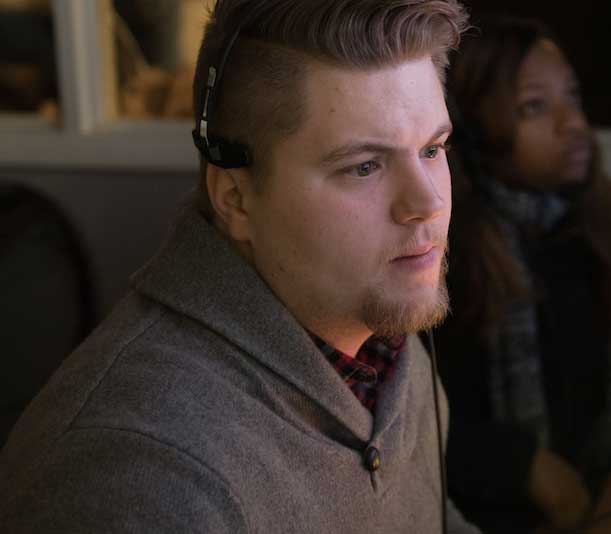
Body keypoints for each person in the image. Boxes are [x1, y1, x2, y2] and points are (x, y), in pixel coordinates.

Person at [0, 1, 478, 532]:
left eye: (433, 148)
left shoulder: (377, 332)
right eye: (364, 166)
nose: (428, 203)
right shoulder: (141, 476)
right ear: (235, 199)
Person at [434, 16, 611, 532]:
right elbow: (418, 423)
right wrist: (524, 467)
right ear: (472, 127)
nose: (573, 123)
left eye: (572, 98)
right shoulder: (447, 258)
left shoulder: (587, 225)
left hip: (605, 493)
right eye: (535, 106)